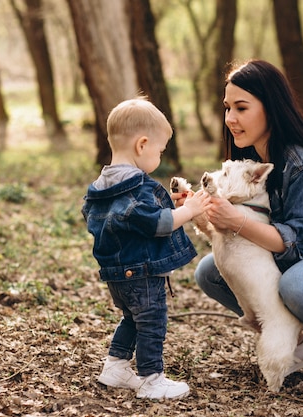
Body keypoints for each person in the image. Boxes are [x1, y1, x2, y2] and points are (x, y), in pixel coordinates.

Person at [175, 60, 303, 389]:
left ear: (270, 107)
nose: (231, 118)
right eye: (228, 108)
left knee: (295, 285)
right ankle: (298, 347)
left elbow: (300, 242)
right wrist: (199, 207)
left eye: (242, 108)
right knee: (210, 272)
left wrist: (237, 220)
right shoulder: (257, 158)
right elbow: (244, 229)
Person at [82, 97, 211, 399]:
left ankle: (115, 366)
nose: (160, 156)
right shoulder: (137, 188)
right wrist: (190, 210)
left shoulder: (102, 185)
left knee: (132, 318)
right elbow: (158, 224)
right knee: (153, 321)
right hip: (141, 273)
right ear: (142, 145)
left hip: (116, 274)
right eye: (160, 150)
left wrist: (170, 206)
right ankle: (151, 378)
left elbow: (129, 219)